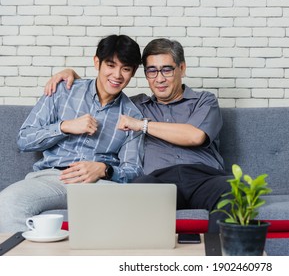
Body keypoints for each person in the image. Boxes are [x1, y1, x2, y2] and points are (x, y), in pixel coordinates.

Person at [44, 38, 232, 233]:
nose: (159, 79)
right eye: (152, 71)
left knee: (231, 190)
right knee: (139, 189)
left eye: (166, 70)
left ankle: (219, 258)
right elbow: (101, 90)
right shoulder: (134, 106)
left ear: (181, 68)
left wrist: (141, 125)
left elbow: (195, 136)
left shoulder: (204, 100)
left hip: (205, 178)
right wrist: (71, 75)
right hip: (158, 180)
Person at [0, 35, 144, 233]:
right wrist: (64, 127)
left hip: (100, 184)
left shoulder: (133, 116)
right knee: (8, 203)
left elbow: (133, 170)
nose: (117, 75)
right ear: (97, 62)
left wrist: (105, 169)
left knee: (138, 211)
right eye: (111, 65)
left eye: (125, 68)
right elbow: (24, 139)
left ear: (133, 72)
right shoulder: (63, 90)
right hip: (53, 178)